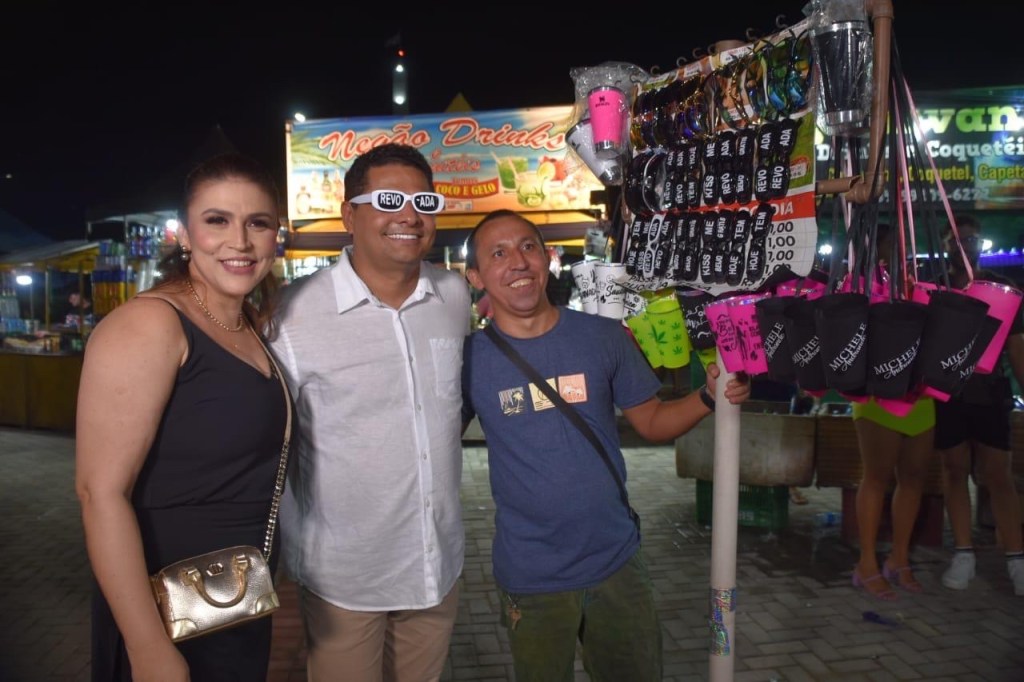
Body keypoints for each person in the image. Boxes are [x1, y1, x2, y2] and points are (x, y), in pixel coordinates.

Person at [460, 209, 751, 681]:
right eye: (498, 254)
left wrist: (707, 396)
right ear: (475, 277)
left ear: (547, 258)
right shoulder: (468, 360)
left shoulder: (602, 336)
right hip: (531, 574)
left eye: (528, 247)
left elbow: (652, 421)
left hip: (616, 561)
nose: (518, 262)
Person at [75, 152, 289, 681]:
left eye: (257, 223)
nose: (240, 241)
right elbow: (99, 494)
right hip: (167, 608)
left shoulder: (246, 324)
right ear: (186, 235)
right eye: (217, 220)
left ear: (275, 236)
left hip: (233, 598)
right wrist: (147, 646)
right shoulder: (150, 324)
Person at [269, 143, 471, 681]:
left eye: (423, 202)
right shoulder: (293, 313)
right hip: (345, 577)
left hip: (435, 563)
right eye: (388, 200)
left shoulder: (453, 296)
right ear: (348, 215)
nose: (409, 216)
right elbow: (270, 441)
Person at [935, 213, 1024, 596]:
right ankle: (964, 554)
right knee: (954, 471)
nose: (965, 247)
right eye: (957, 240)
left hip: (990, 393)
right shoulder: (935, 287)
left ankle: (1016, 560)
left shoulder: (1002, 288)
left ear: (981, 244)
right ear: (945, 245)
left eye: (972, 240)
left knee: (998, 476)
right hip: (948, 394)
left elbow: (1017, 349)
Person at [849, 221, 937, 599]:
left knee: (914, 476)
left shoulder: (915, 282)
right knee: (876, 477)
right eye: (891, 244)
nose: (900, 250)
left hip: (918, 393)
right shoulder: (858, 286)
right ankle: (866, 563)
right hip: (877, 394)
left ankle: (899, 559)